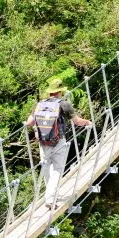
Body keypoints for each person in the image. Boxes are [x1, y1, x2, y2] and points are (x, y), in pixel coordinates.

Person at [26, 79, 92, 208]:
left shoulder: (40, 104)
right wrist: (88, 122)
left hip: (43, 141)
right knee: (57, 168)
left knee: (46, 166)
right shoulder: (64, 104)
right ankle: (50, 199)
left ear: (50, 92)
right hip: (58, 141)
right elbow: (77, 121)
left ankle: (49, 195)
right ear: (60, 91)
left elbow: (29, 122)